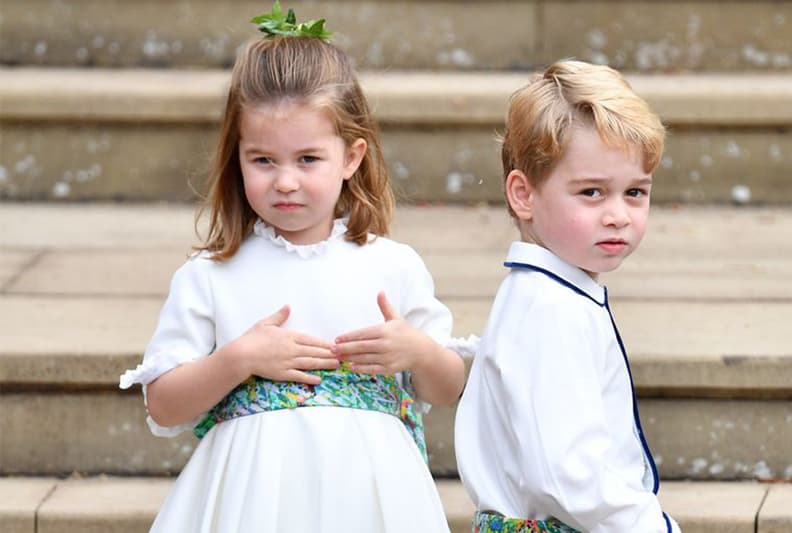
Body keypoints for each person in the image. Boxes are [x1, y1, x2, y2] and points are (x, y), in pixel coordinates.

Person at [119, 4, 465, 531]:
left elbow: (447, 388)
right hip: (252, 501)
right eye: (263, 160)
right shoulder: (212, 275)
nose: (284, 181)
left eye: (307, 159)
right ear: (237, 157)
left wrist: (417, 351)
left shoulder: (391, 264)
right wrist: (238, 358)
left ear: (350, 158)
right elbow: (164, 405)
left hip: (368, 496)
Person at [454, 60, 681, 532]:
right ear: (524, 195)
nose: (618, 214)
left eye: (635, 192)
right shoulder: (550, 309)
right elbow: (569, 473)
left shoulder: (548, 294)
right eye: (592, 192)